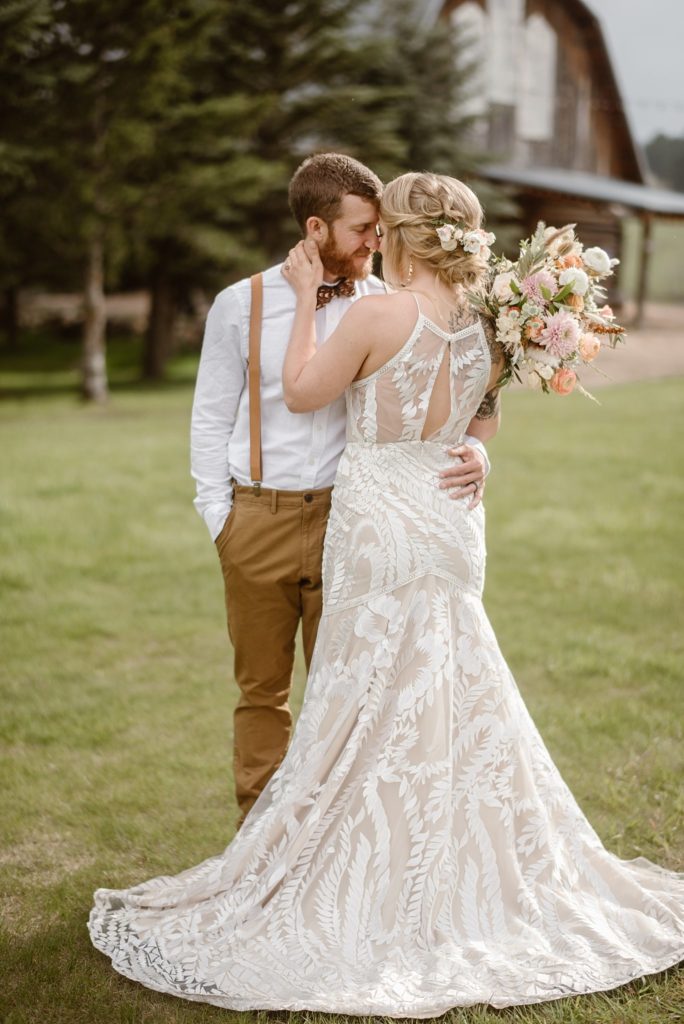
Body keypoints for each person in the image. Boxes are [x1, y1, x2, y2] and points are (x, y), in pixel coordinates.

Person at [89, 172, 683, 1014]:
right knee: (448, 692)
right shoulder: (490, 317)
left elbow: (300, 391)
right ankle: (448, 872)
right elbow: (484, 414)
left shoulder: (375, 312)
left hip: (378, 522)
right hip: (447, 518)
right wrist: (483, 453)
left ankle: (360, 875)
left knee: (363, 698)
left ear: (401, 236)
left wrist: (301, 296)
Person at [189, 153, 489, 824]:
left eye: (381, 229)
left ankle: (332, 838)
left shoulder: (386, 305)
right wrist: (221, 517)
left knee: (349, 690)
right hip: (257, 519)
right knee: (261, 691)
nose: (375, 242)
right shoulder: (240, 306)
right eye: (362, 229)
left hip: (351, 525)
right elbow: (210, 417)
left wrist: (477, 455)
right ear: (316, 227)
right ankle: (257, 837)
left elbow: (446, 401)